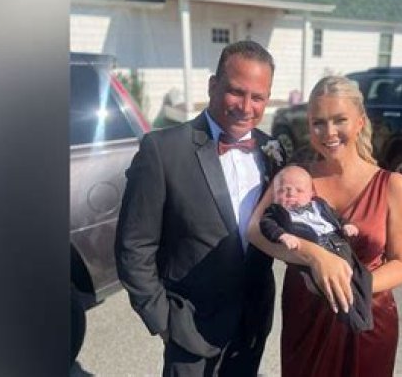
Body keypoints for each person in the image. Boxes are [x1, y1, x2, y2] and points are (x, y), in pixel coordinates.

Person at [114, 40, 286, 377]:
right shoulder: (162, 150)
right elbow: (134, 246)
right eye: (236, 91)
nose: (246, 107)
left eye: (258, 97)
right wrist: (162, 319)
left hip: (251, 325)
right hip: (188, 328)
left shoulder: (272, 150)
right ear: (212, 85)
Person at [248, 75, 402, 376]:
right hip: (306, 315)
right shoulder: (295, 178)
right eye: (318, 122)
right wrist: (313, 256)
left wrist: (348, 287)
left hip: (365, 318)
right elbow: (254, 229)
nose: (328, 132)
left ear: (360, 122)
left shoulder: (394, 186)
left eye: (340, 120)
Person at [259, 165, 373, 332]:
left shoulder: (320, 205)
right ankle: (353, 320)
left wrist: (346, 225)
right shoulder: (276, 212)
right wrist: (282, 235)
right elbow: (266, 224)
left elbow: (336, 217)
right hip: (316, 245)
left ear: (311, 193)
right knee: (330, 286)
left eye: (299, 190)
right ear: (274, 196)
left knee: (363, 275)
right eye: (282, 190)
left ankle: (364, 315)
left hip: (338, 243)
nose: (290, 194)